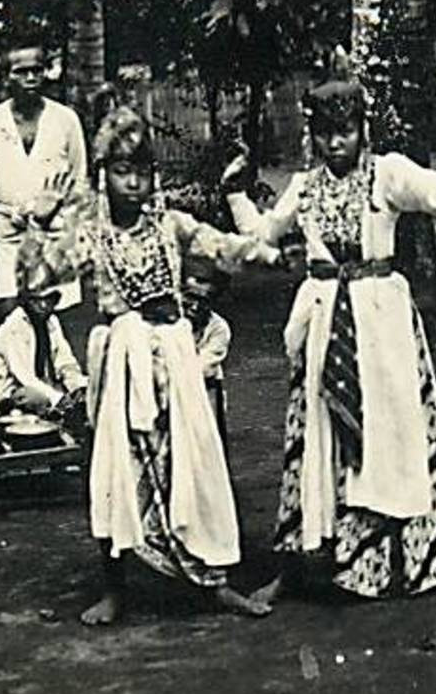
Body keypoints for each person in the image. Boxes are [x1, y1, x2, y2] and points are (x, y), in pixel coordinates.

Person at [222, 80, 436, 603]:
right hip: (324, 318)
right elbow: (264, 236)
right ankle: (295, 568)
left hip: (380, 318)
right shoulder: (306, 186)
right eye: (325, 133)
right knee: (317, 435)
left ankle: (418, 563)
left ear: (363, 129)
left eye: (346, 131)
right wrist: (234, 192)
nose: (336, 143)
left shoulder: (386, 173)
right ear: (313, 135)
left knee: (397, 434)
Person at [44, 107, 280, 626]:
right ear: (102, 173)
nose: (134, 181)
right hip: (120, 360)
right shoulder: (90, 228)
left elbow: (216, 244)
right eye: (122, 169)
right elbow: (41, 268)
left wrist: (264, 252)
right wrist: (49, 217)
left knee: (191, 463)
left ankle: (214, 582)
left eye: (143, 170)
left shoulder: (168, 223)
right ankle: (115, 589)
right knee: (117, 469)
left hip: (174, 358)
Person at [0, 43, 88, 322]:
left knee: (54, 322)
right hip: (10, 231)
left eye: (36, 71)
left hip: (54, 233)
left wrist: (64, 218)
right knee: (11, 319)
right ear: (6, 76)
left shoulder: (66, 120)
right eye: (21, 72)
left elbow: (79, 179)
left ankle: (55, 367)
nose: (30, 78)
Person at [0, 236, 88, 425]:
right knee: (30, 395)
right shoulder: (13, 328)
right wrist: (60, 401)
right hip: (11, 401)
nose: (41, 306)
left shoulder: (51, 322)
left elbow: (65, 362)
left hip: (46, 392)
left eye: (47, 300)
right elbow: (25, 377)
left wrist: (79, 387)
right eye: (35, 300)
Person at [181, 256, 233, 445]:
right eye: (191, 298)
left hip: (205, 390)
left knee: (207, 444)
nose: (195, 307)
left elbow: (204, 367)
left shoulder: (218, 328)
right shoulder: (172, 324)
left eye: (204, 301)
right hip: (173, 390)